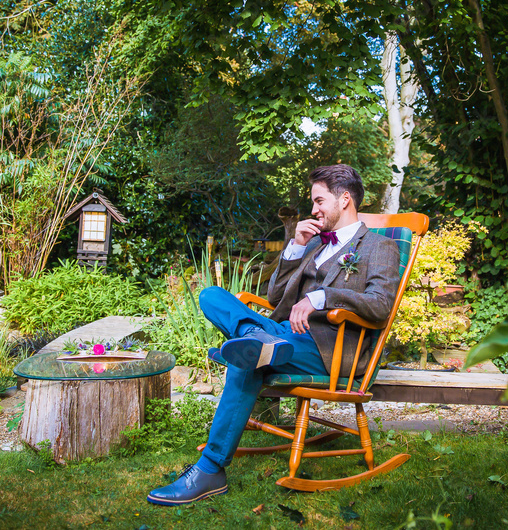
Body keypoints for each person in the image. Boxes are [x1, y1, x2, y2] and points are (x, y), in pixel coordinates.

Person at [147, 164, 401, 506]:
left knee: (247, 359)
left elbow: (381, 304)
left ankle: (210, 469)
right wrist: (295, 246)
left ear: (344, 199)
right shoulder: (313, 245)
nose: (313, 209)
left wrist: (321, 297)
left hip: (331, 348)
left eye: (319, 200)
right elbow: (275, 297)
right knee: (211, 296)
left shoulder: (377, 248)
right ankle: (255, 338)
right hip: (283, 333)